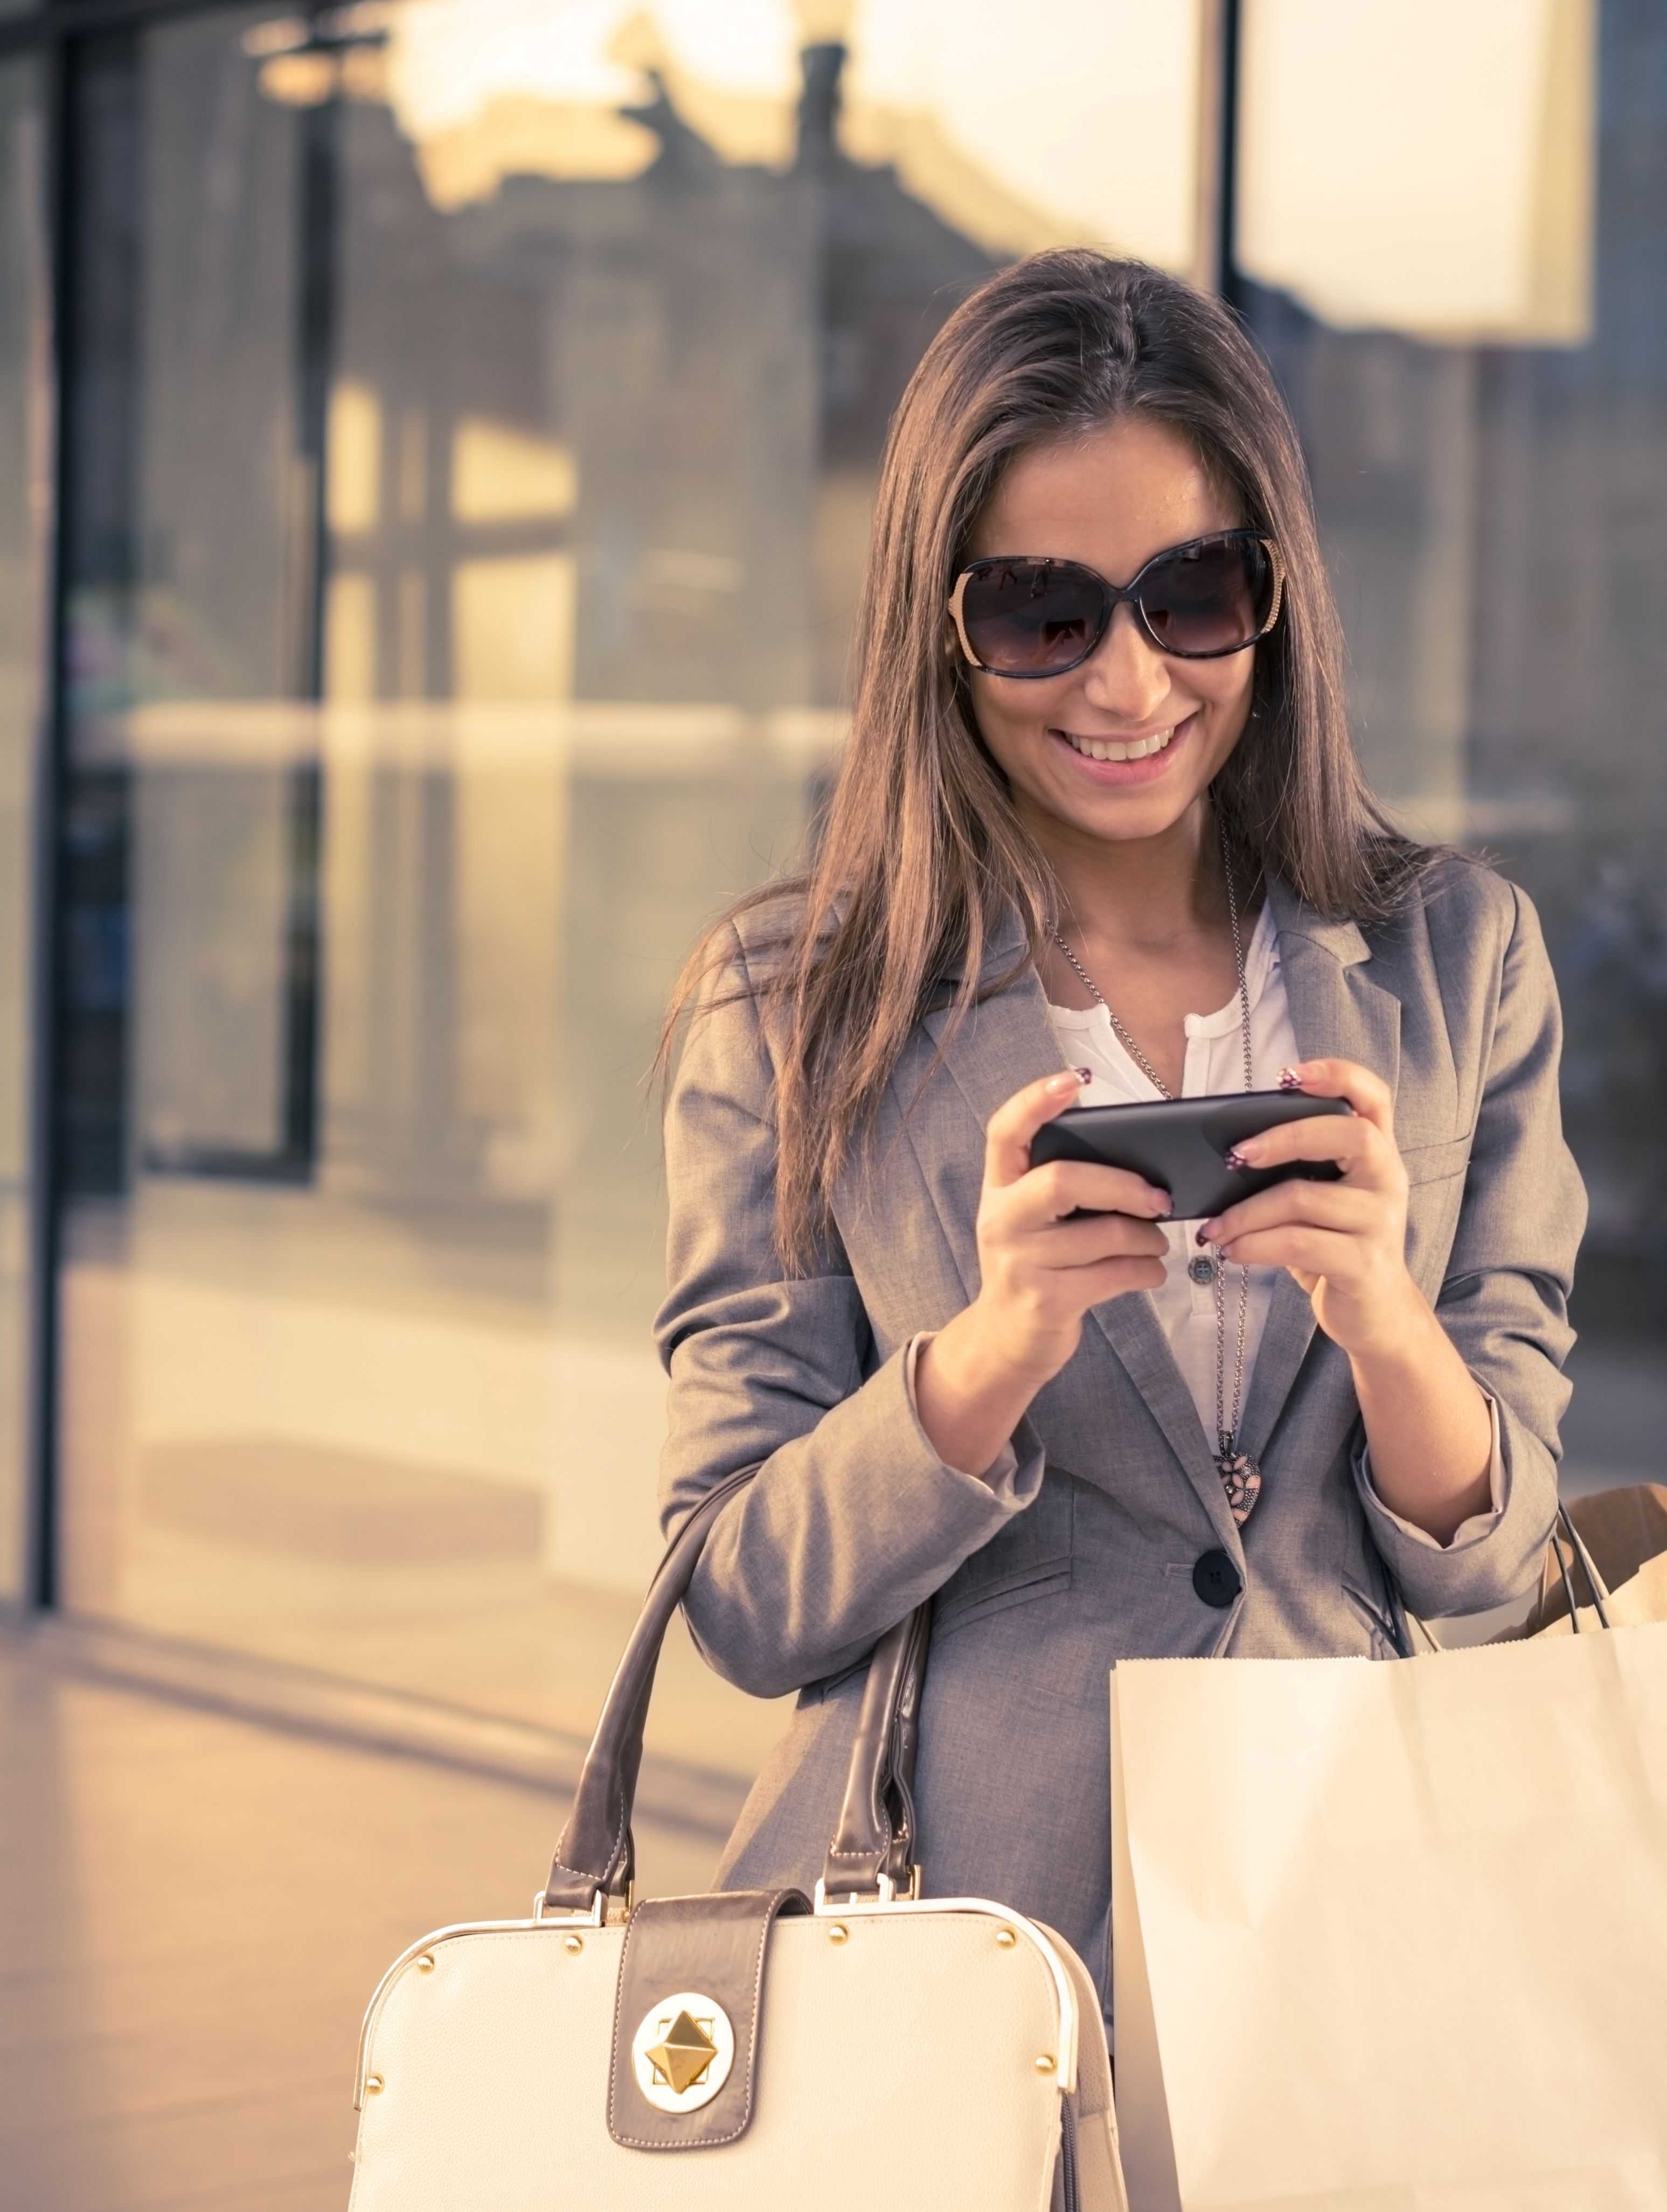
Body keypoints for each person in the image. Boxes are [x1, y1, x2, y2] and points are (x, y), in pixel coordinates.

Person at [656, 249, 1585, 1988]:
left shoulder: (1460, 959)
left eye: (1191, 594)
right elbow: (739, 1601)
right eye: (1039, 612)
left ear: (1274, 592)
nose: (1127, 683)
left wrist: (1385, 1320)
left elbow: (1501, 1561)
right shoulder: (789, 1003)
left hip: (1355, 1938)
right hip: (957, 1955)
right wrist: (982, 1357)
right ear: (936, 627)